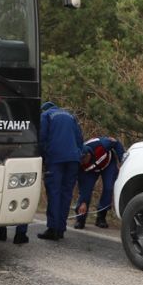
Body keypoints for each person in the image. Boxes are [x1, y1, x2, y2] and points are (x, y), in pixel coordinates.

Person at [37, 101, 84, 240]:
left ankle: (52, 229)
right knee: (66, 194)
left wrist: (44, 157)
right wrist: (77, 154)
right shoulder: (70, 116)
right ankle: (61, 229)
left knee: (54, 193)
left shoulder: (45, 115)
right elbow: (80, 139)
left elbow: (42, 138)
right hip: (73, 159)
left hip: (56, 159)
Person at [73, 136, 126, 229]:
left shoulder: (101, 144)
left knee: (108, 188)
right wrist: (84, 202)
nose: (81, 163)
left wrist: (122, 160)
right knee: (86, 192)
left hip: (108, 164)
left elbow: (115, 142)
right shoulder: (80, 166)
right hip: (90, 172)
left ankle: (101, 217)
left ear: (88, 155)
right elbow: (84, 188)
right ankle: (80, 218)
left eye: (82, 160)